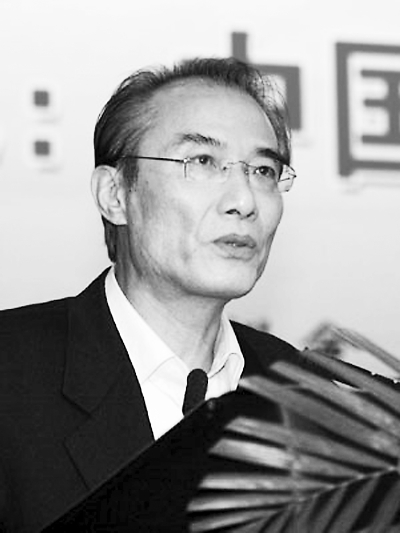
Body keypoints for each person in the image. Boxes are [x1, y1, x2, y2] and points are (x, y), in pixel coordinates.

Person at [0, 57, 297, 532]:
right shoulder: (12, 371)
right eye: (202, 162)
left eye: (263, 170)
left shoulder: (298, 389)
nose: (244, 201)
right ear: (115, 195)